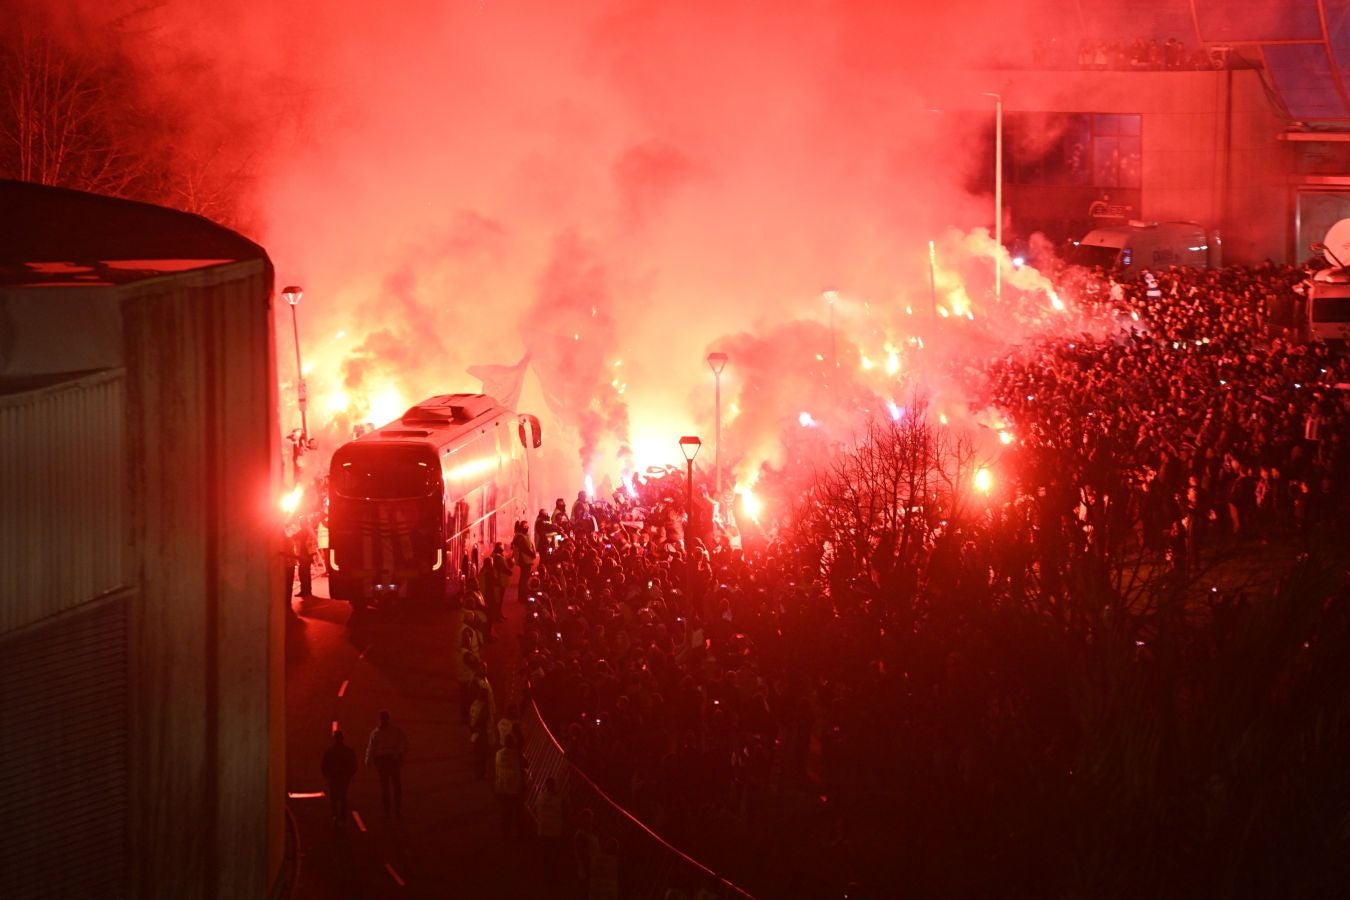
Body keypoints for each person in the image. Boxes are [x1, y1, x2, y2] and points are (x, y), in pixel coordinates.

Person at [365, 709, 410, 819]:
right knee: (393, 787)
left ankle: (390, 811)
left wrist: (368, 760)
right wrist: (400, 755)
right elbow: (405, 743)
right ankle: (394, 811)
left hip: (386, 760)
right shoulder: (392, 731)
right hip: (389, 760)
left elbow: (371, 748)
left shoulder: (377, 733)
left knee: (389, 787)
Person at [493, 733, 528, 838]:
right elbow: (526, 764)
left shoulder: (498, 754)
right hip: (515, 788)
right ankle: (520, 833)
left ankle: (505, 834)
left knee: (505, 812)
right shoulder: (516, 754)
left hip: (502, 787)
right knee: (518, 813)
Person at [321, 730, 358, 826]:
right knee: (343, 797)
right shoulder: (348, 751)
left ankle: (335, 817)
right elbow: (353, 765)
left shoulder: (330, 752)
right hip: (344, 778)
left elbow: (324, 766)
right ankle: (342, 818)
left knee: (334, 798)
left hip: (333, 778)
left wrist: (327, 776)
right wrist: (350, 776)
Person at [511, 521, 537, 598]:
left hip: (527, 560)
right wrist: (532, 554)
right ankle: (522, 595)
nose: (527, 527)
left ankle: (524, 594)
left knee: (525, 578)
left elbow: (530, 546)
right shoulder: (519, 536)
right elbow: (524, 548)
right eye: (525, 526)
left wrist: (533, 553)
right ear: (521, 527)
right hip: (524, 560)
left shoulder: (524, 535)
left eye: (527, 526)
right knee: (524, 579)